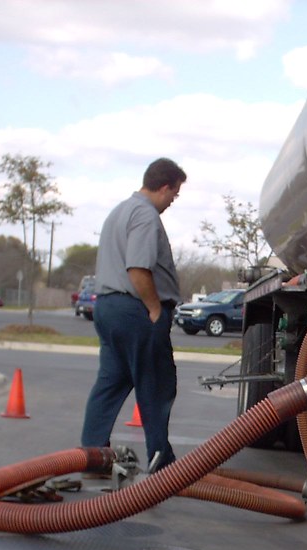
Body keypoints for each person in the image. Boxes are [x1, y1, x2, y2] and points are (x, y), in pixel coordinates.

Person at [81, 157, 186, 472]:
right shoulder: (145, 215)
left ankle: (93, 454)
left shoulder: (119, 211)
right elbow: (138, 269)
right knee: (156, 385)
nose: (173, 201)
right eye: (175, 194)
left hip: (108, 308)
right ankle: (161, 462)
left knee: (111, 381)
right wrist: (154, 308)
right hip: (135, 310)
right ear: (164, 187)